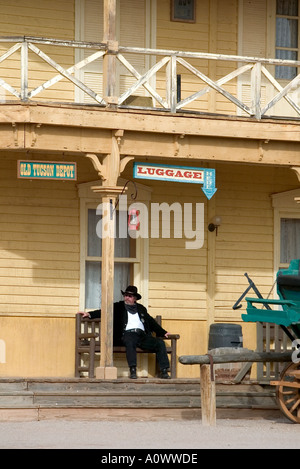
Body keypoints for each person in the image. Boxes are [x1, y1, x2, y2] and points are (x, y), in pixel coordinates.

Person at [78, 286, 171, 379]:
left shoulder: (141, 308)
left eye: (130, 296)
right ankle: (133, 370)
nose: (127, 297)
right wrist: (90, 314)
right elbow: (104, 312)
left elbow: (150, 321)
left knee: (159, 343)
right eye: (126, 295)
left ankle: (164, 371)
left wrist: (163, 332)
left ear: (135, 298)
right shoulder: (118, 306)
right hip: (127, 334)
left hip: (142, 335)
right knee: (130, 341)